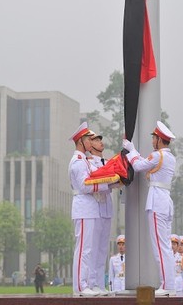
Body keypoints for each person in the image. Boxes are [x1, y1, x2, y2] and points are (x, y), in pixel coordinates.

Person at [123, 120, 177, 296]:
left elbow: (138, 166)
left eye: (154, 138)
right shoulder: (170, 157)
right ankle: (169, 284)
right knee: (165, 246)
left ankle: (167, 286)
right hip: (166, 201)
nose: (152, 141)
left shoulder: (158, 155)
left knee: (160, 247)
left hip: (157, 202)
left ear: (160, 140)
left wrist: (131, 151)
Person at [69, 122, 115, 296]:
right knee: (84, 249)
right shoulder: (79, 162)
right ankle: (81, 287)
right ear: (81, 140)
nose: (91, 141)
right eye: (88, 138)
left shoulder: (83, 161)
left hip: (90, 207)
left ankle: (89, 284)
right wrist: (107, 185)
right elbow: (85, 186)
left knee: (91, 249)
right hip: (83, 207)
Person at [88, 130, 113, 295]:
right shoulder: (88, 162)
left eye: (100, 139)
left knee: (103, 248)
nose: (100, 142)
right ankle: (91, 284)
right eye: (96, 140)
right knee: (93, 248)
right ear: (90, 145)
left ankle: (99, 284)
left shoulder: (108, 161)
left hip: (106, 207)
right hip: (95, 206)